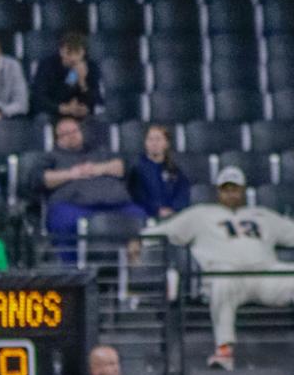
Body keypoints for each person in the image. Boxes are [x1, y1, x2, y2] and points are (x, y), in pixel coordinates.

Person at [145, 166, 294, 367]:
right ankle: (224, 351)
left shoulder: (263, 215)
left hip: (265, 274)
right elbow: (165, 231)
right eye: (226, 188)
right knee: (222, 280)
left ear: (243, 190)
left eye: (235, 188)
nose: (231, 193)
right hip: (228, 275)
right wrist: (139, 240)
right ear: (218, 191)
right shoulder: (200, 215)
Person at [40, 116, 143, 246]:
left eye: (75, 131)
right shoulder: (51, 157)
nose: (72, 136)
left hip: (116, 204)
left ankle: (135, 263)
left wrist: (97, 168)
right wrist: (71, 174)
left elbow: (122, 166)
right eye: (66, 134)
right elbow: (42, 179)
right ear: (58, 138)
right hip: (73, 206)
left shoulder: (100, 151)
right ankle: (72, 265)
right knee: (65, 222)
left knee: (140, 217)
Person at [31, 31, 103, 120]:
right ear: (61, 51)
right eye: (69, 53)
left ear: (84, 52)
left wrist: (82, 82)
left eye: (77, 53)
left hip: (80, 114)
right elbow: (39, 98)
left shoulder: (91, 67)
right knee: (42, 118)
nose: (73, 58)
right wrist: (63, 108)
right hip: (55, 111)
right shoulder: (47, 65)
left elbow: (97, 100)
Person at [127, 123, 191, 221]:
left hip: (173, 219)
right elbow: (137, 197)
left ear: (166, 143)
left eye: (158, 139)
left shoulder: (175, 171)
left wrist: (173, 210)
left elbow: (182, 194)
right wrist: (156, 210)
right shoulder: (136, 170)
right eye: (150, 139)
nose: (154, 143)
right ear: (145, 143)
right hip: (146, 218)